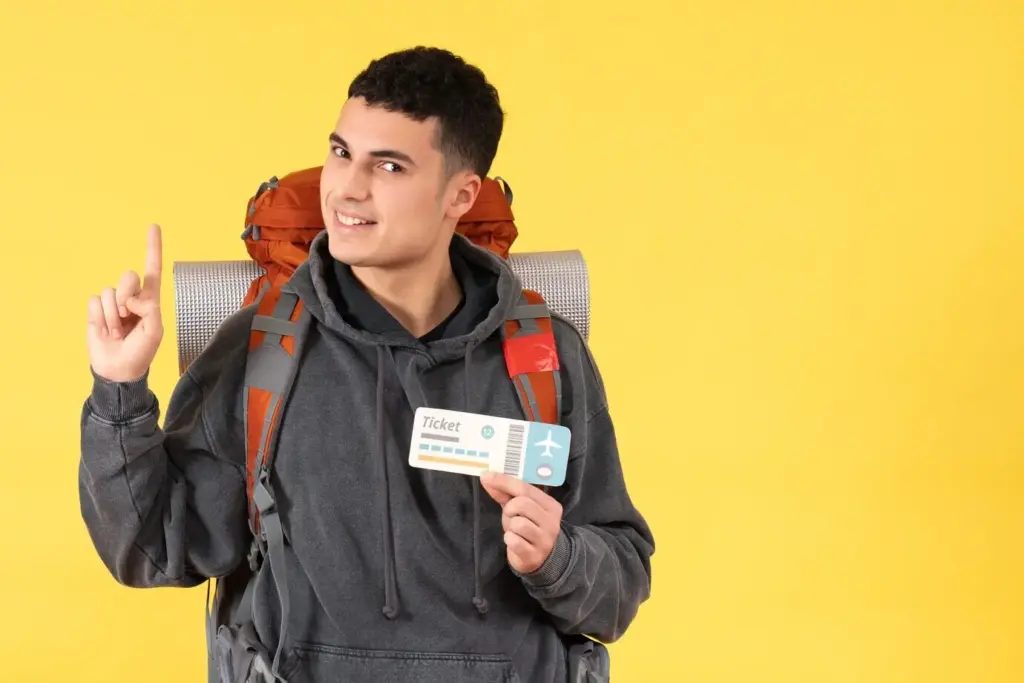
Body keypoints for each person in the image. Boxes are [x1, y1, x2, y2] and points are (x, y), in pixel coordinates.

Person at [80, 46, 655, 682]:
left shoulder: (542, 357)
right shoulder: (266, 347)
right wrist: (119, 390)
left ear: (460, 195)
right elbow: (153, 551)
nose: (347, 188)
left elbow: (619, 587)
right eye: (341, 152)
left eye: (389, 165)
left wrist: (559, 557)